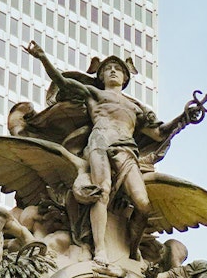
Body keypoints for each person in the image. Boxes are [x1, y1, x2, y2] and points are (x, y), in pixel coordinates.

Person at [22, 41, 193, 264]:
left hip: (127, 151)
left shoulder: (136, 108)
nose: (113, 71)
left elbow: (160, 133)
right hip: (99, 144)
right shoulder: (94, 94)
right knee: (102, 192)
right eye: (108, 69)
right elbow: (63, 82)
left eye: (118, 69)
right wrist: (43, 56)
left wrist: (184, 118)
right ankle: (100, 249)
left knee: (142, 204)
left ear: (125, 78)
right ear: (101, 76)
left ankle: (132, 248)